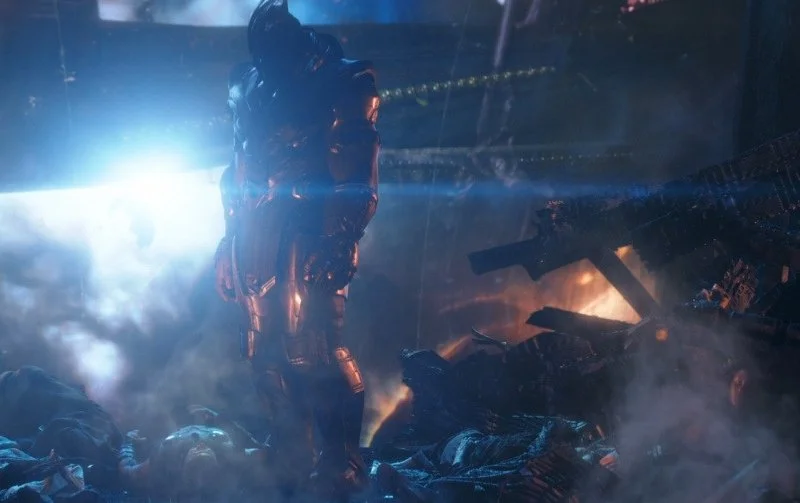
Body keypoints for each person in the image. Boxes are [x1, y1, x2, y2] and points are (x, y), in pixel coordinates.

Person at [213, 0, 380, 498]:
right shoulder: (248, 84)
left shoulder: (345, 80)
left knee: (316, 350)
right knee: (262, 352)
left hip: (310, 229)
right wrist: (227, 240)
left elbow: (357, 167)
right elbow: (237, 167)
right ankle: (291, 454)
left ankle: (341, 459)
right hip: (254, 231)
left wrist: (341, 236)